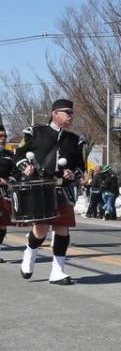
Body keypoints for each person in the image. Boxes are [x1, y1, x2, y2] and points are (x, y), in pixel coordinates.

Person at [16, 99, 86, 284]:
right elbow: (19, 154)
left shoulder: (75, 140)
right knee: (40, 231)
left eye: (72, 113)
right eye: (67, 112)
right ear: (55, 113)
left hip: (63, 188)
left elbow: (81, 166)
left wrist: (74, 172)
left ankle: (57, 271)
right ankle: (30, 252)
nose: (71, 116)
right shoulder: (35, 132)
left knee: (62, 229)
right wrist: (25, 166)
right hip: (40, 187)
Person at [0, 125, 15, 261]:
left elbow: (16, 173)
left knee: (3, 223)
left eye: (4, 136)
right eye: (0, 136)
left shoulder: (10, 155)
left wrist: (9, 179)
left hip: (4, 192)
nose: (3, 139)